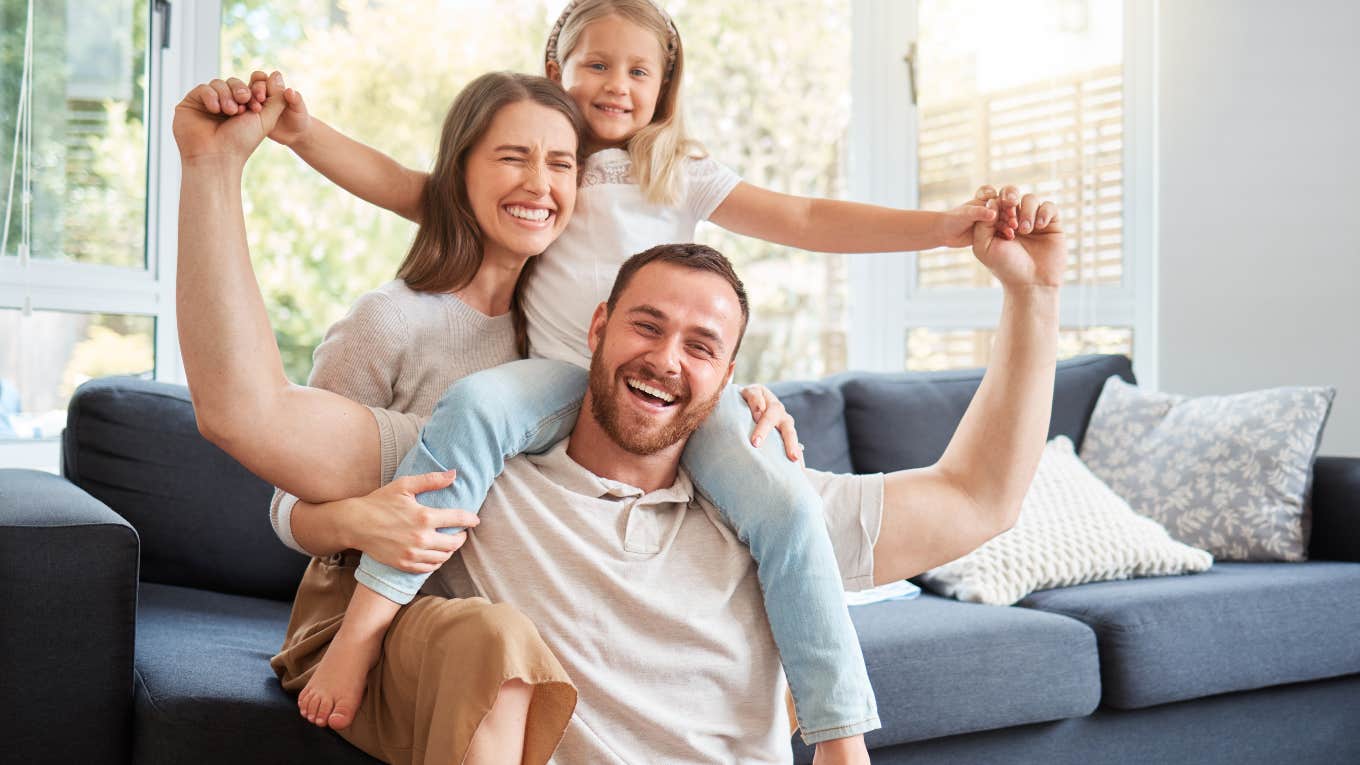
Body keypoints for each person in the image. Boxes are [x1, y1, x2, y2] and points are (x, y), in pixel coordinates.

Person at [178, 71, 1063, 763]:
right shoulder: (473, 466)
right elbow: (247, 411)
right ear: (593, 329)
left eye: (702, 347)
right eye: (646, 324)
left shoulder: (760, 495)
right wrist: (214, 169)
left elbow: (980, 497)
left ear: (731, 376)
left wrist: (1034, 300)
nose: (668, 359)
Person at [175, 70, 588, 765]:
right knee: (498, 640)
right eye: (513, 157)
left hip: (481, 610)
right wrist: (359, 521)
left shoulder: (555, 342)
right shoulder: (390, 320)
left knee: (504, 635)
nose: (539, 184)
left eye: (560, 163)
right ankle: (208, 170)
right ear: (458, 172)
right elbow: (288, 506)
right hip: (350, 619)